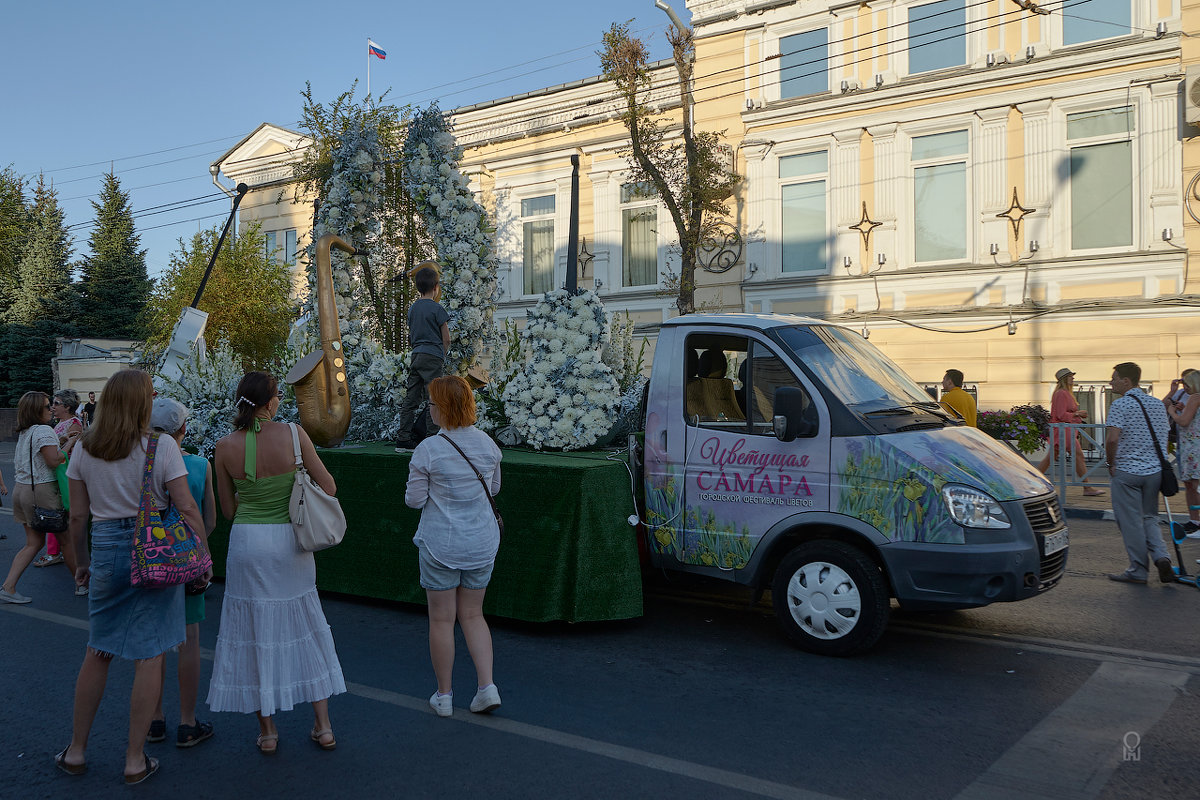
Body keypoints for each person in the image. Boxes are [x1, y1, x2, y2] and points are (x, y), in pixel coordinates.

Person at [56, 369, 207, 784]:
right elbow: (187, 509)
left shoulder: (85, 449)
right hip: (153, 547)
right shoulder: (161, 448)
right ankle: (134, 759)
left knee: (98, 649)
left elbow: (78, 516)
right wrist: (203, 556)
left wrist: (82, 562)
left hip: (104, 545)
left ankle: (77, 750)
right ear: (142, 403)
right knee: (150, 653)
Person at [207, 371, 345, 754]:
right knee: (306, 623)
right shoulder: (293, 434)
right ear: (269, 403)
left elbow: (230, 510)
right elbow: (329, 487)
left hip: (249, 543)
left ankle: (268, 732)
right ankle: (324, 726)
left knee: (254, 630)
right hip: (290, 542)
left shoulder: (223, 446)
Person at [405, 375, 503, 717]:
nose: (428, 409)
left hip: (440, 544)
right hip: (481, 542)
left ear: (442, 408)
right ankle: (486, 687)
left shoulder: (428, 449)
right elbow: (494, 490)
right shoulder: (489, 445)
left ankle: (444, 696)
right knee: (474, 615)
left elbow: (415, 501)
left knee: (442, 620)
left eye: (431, 403)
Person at [146, 397, 217, 748]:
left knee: (154, 641)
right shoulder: (199, 465)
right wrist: (200, 552)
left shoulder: (138, 464)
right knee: (189, 639)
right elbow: (211, 519)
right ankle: (187, 723)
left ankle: (153, 719)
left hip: (151, 561)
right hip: (187, 560)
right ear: (183, 429)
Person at [1104, 362, 1174, 585]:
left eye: (1114, 378)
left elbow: (1112, 439)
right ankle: (1162, 557)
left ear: (1126, 381)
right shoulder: (1156, 405)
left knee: (1130, 522)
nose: (1111, 382)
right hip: (1154, 472)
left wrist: (1110, 462)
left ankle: (1138, 570)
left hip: (1127, 471)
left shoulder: (1120, 405)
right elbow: (1164, 437)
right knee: (1150, 517)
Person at [1, 392, 67, 604]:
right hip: (40, 491)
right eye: (48, 406)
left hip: (21, 489)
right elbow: (54, 461)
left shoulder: (26, 432)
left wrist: (63, 442)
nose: (51, 410)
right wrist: (69, 446)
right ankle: (83, 585)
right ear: (36, 410)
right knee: (66, 538)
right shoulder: (44, 430)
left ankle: (8, 586)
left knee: (33, 543)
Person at [395, 261, 450, 449]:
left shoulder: (412, 308)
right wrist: (442, 354)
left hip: (416, 355)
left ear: (418, 288)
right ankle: (432, 438)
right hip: (433, 356)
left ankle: (403, 438)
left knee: (411, 398)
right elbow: (447, 338)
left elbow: (411, 335)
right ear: (436, 288)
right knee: (433, 397)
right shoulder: (437, 309)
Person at [35, 390, 85, 578]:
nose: (52, 407)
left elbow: (72, 453)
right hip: (58, 472)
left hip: (65, 474)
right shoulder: (62, 424)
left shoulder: (74, 425)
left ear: (67, 406)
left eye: (56, 403)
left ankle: (58, 552)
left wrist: (62, 444)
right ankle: (57, 551)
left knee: (60, 513)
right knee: (57, 513)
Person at [1036, 368, 1105, 497]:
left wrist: (1076, 416)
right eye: (1070, 376)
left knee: (1050, 458)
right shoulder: (1062, 393)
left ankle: (1031, 482)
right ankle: (1087, 488)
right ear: (1064, 379)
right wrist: (1078, 413)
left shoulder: (1063, 393)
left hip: (1064, 430)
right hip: (1064, 430)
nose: (1073, 378)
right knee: (1078, 456)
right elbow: (1061, 415)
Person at [1165, 369, 1200, 535]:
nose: (1184, 387)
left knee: (1194, 486)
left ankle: (1196, 521)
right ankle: (1195, 520)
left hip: (1193, 447)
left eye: (1186, 384)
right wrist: (1183, 408)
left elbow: (1184, 421)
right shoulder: (1194, 398)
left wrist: (1173, 412)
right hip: (1190, 446)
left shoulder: (1195, 397)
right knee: (1192, 485)